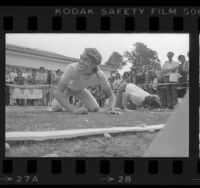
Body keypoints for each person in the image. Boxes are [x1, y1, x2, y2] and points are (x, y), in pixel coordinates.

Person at [49, 48, 115, 114]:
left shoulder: (99, 75)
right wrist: (73, 110)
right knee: (56, 107)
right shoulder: (72, 68)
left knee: (94, 108)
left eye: (86, 60)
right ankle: (70, 106)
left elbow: (111, 95)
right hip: (67, 89)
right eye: (81, 58)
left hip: (80, 90)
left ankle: (79, 106)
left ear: (94, 65)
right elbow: (57, 92)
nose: (81, 62)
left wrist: (111, 108)